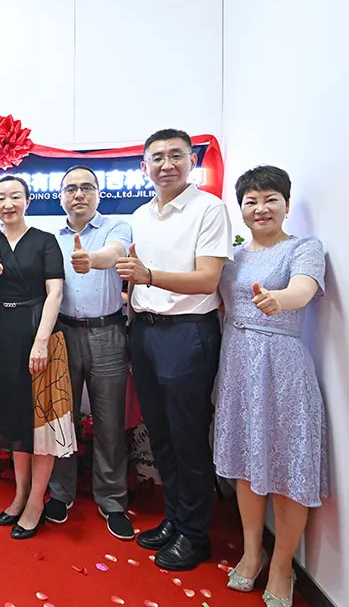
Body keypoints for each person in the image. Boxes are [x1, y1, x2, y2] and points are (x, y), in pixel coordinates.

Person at [117, 128, 233, 570]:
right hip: (145, 332)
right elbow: (134, 274)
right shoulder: (141, 214)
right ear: (144, 166)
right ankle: (176, 519)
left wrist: (148, 276)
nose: (166, 164)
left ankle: (195, 535)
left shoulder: (209, 209)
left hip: (188, 333)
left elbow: (207, 279)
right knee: (160, 433)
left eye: (176, 155)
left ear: (191, 161)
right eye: (157, 157)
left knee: (188, 436)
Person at [216, 166, 326, 607]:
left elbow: (302, 290)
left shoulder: (304, 247)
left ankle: (282, 567)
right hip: (237, 365)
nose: (260, 209)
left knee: (288, 467)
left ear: (286, 204)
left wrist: (279, 299)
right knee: (245, 462)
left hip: (282, 367)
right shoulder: (233, 257)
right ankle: (251, 552)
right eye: (251, 201)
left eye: (270, 200)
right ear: (241, 209)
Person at [0, 175, 75, 539]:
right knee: (17, 419)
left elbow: (55, 293)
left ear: (27, 201)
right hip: (2, 332)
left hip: (39, 329)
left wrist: (41, 341)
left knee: (41, 422)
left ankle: (36, 502)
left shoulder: (45, 241)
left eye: (15, 196)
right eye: (1, 197)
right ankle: (19, 495)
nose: (8, 203)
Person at [46, 165, 135, 540]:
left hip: (108, 333)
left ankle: (112, 500)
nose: (78, 194)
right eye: (70, 189)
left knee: (110, 421)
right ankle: (60, 493)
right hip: (62, 333)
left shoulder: (117, 228)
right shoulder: (51, 238)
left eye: (86, 187)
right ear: (61, 197)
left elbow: (115, 254)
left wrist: (91, 260)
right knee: (60, 418)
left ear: (98, 193)